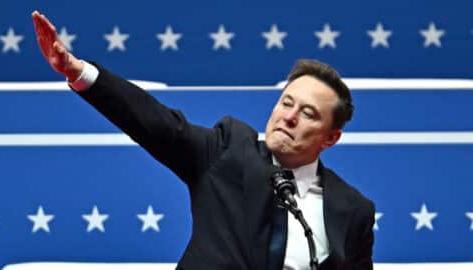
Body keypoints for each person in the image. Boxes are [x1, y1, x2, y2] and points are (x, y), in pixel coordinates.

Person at [32, 10, 375, 270]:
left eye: (308, 113)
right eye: (286, 102)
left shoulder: (353, 209)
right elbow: (157, 125)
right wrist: (79, 72)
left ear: (331, 138)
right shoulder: (227, 152)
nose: (289, 116)